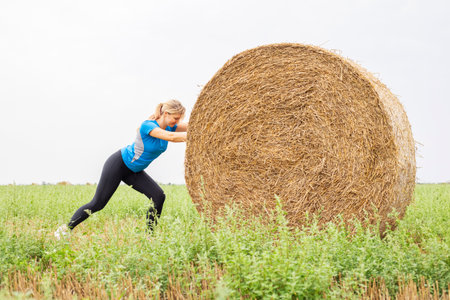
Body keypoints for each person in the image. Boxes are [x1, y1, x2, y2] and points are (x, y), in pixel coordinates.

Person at [55, 100, 187, 239]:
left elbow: (194, 125)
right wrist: (194, 137)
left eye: (179, 119)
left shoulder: (170, 126)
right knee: (98, 203)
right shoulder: (148, 126)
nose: (177, 122)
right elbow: (171, 137)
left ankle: (150, 237)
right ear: (166, 114)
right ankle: (64, 230)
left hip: (134, 171)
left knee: (158, 196)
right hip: (119, 164)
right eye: (176, 118)